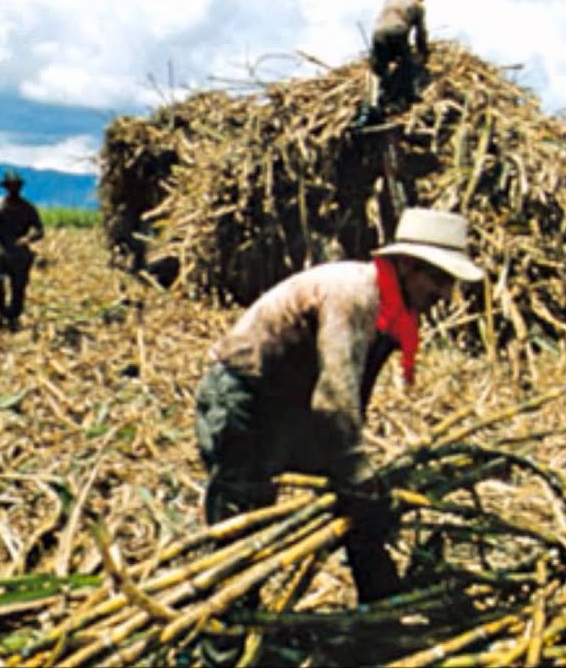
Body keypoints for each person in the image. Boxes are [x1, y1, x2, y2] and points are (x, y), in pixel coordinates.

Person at [193, 208, 483, 663]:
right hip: (246, 399)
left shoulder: (394, 309)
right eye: (440, 279)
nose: (445, 294)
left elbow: (352, 395)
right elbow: (335, 396)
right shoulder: (355, 294)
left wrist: (356, 476)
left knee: (362, 509)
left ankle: (381, 627)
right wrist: (357, 468)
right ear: (409, 266)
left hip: (295, 405)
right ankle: (223, 651)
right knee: (242, 523)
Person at [0, 170, 44, 330]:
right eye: (10, 185)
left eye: (16, 185)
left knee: (18, 287)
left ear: (20, 187)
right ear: (5, 187)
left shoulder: (28, 208)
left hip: (19, 252)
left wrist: (28, 238)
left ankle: (13, 316)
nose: (13, 188)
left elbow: (39, 230)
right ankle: (0, 309)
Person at [370, 0, 430, 110]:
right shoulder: (417, 4)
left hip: (377, 33)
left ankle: (375, 102)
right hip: (397, 31)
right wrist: (423, 53)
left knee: (379, 68)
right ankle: (400, 99)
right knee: (408, 64)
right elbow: (420, 34)